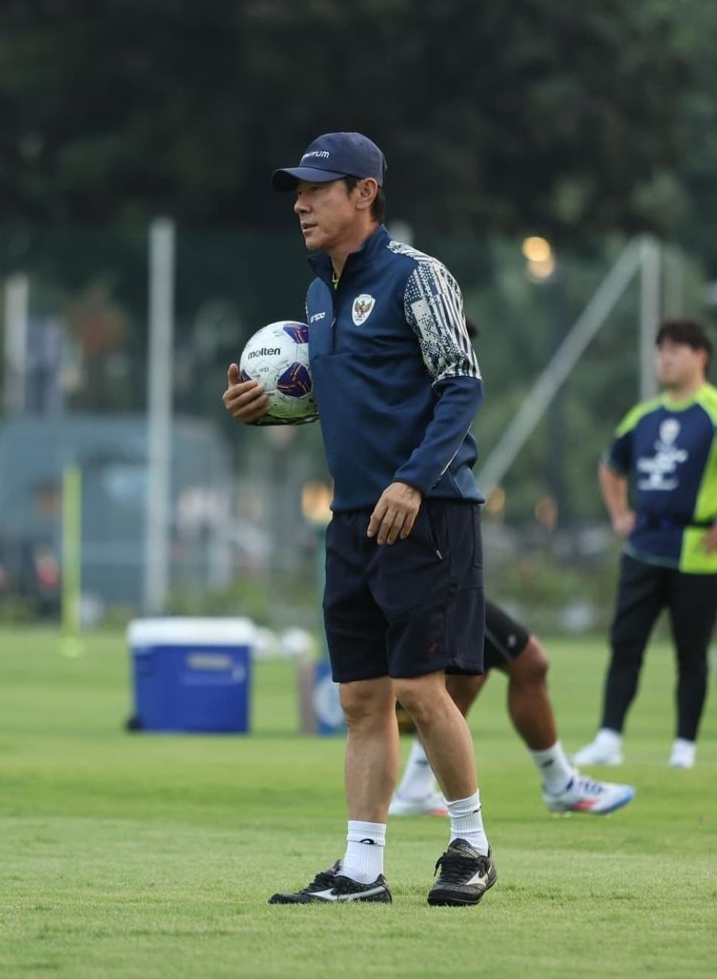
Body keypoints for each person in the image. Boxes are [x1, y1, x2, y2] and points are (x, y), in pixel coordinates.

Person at [223, 131, 495, 907]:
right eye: (297, 192)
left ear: (365, 193)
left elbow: (461, 386)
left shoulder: (417, 276)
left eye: (317, 188)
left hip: (428, 510)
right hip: (350, 518)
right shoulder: (318, 291)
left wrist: (413, 481)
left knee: (420, 686)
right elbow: (346, 404)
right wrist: (265, 410)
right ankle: (362, 868)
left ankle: (470, 844)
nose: (301, 204)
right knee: (360, 698)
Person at [573, 318, 717, 770]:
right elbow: (610, 466)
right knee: (625, 644)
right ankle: (609, 738)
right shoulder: (644, 415)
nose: (665, 358)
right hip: (644, 544)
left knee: (691, 652)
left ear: (700, 357)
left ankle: (684, 746)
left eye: (676, 350)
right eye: (661, 349)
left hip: (697, 551)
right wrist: (619, 513)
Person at [390, 598, 636, 816]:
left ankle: (415, 789)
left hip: (444, 576)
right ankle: (561, 784)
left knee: (471, 673)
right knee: (530, 663)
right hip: (444, 583)